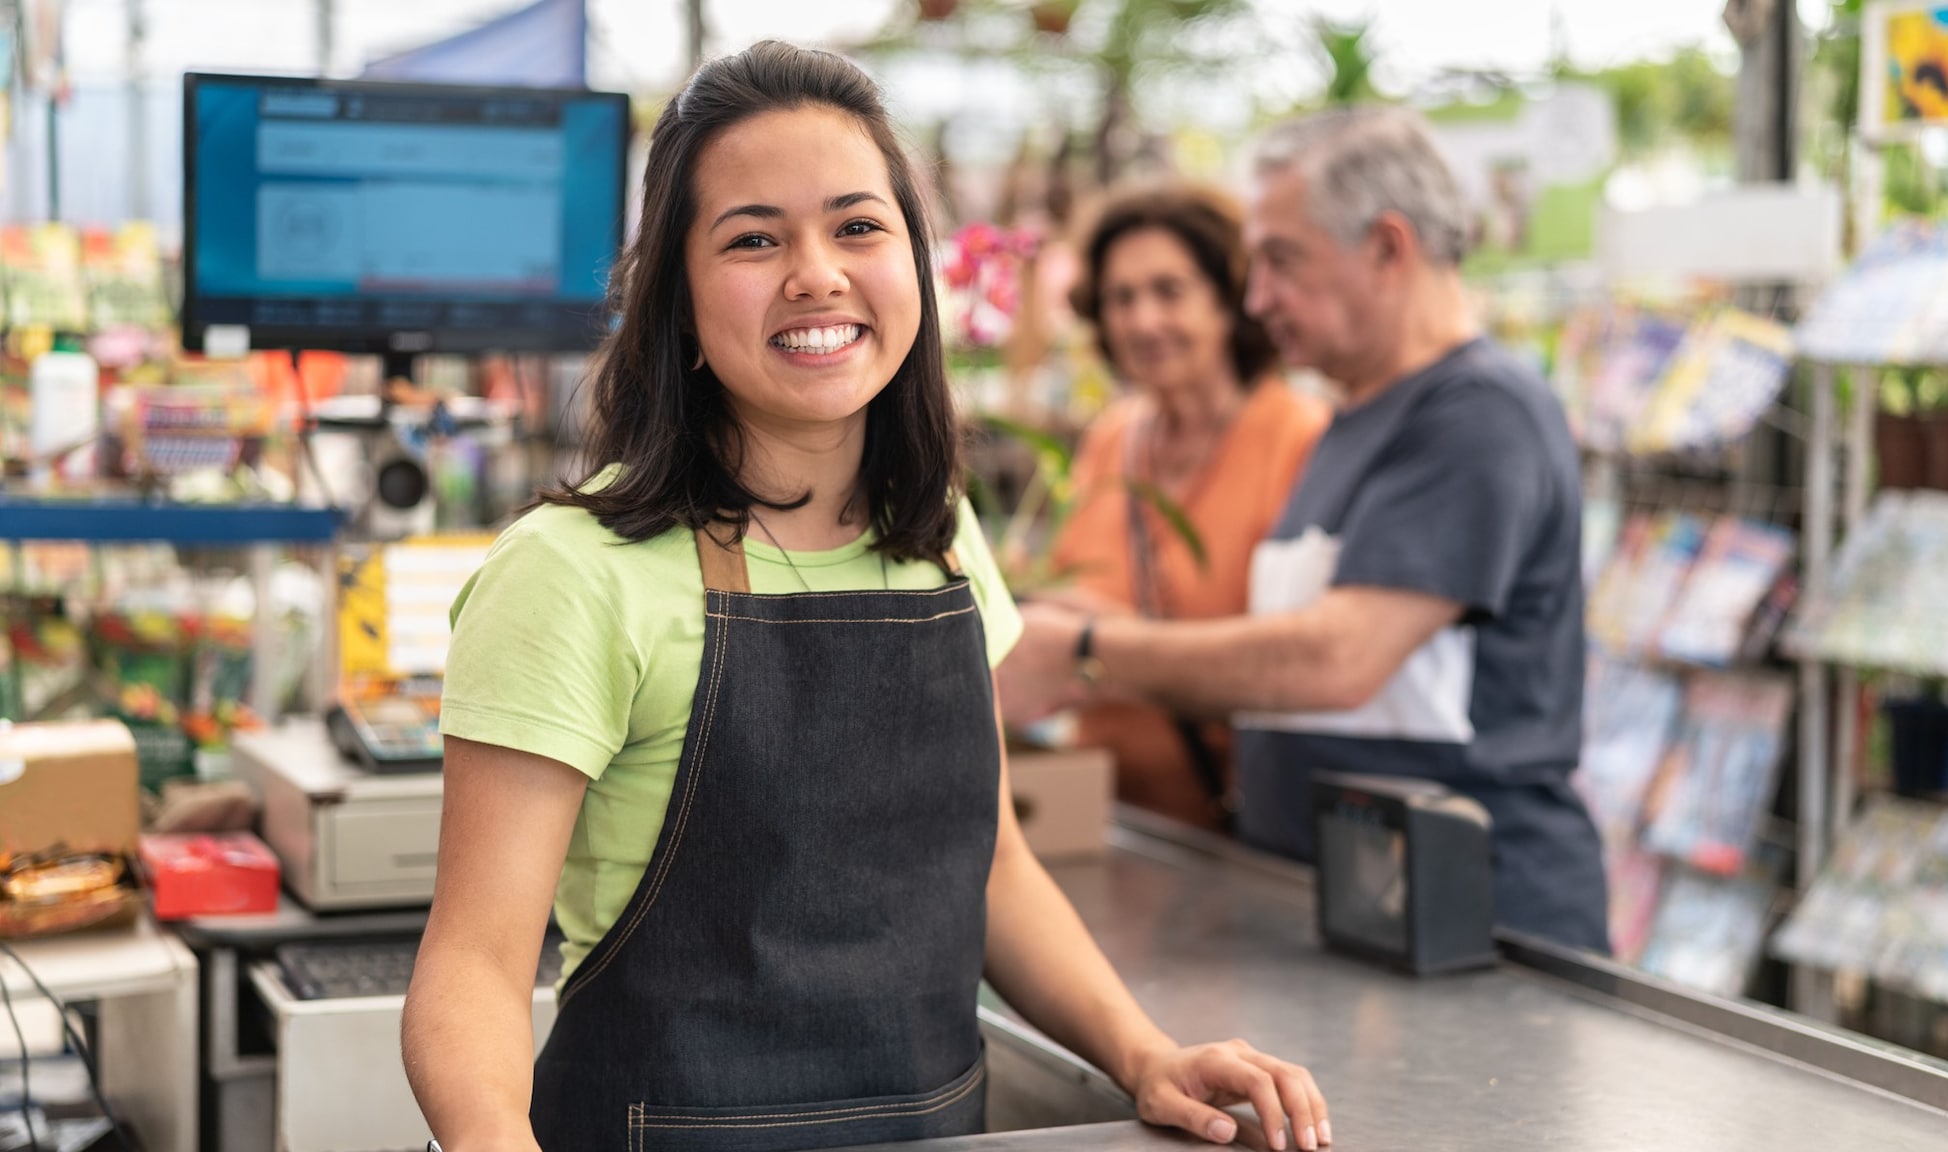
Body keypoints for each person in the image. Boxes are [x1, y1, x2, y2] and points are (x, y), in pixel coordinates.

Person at [400, 41, 1328, 1152]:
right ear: (677, 298)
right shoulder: (570, 570)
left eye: (856, 226)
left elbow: (991, 867)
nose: (815, 274)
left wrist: (1143, 1053)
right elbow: (471, 968)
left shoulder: (932, 531)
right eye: (753, 238)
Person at [1000, 106, 1610, 954]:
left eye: (1282, 262)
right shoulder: (1354, 421)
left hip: (1475, 931)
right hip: (1341, 910)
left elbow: (1338, 656)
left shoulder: (1478, 416)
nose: (1257, 300)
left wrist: (1085, 652)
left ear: (1389, 248)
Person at [1023, 184, 1327, 831]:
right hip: (1102, 815)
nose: (1142, 321)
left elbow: (1306, 660)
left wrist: (1104, 643)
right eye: (1120, 298)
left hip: (1238, 830)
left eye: (1169, 291)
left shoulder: (1299, 440)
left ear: (1228, 301)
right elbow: (1066, 589)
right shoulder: (1112, 440)